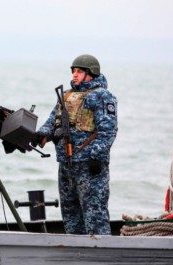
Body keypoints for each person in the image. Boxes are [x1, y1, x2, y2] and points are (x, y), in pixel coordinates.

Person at [33, 54, 117, 235]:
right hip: (67, 163)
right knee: (70, 214)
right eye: (73, 71)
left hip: (90, 166)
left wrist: (96, 156)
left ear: (91, 74)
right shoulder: (66, 95)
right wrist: (42, 134)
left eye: (79, 71)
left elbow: (108, 131)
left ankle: (101, 255)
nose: (74, 75)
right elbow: (52, 120)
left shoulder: (102, 96)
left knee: (95, 214)